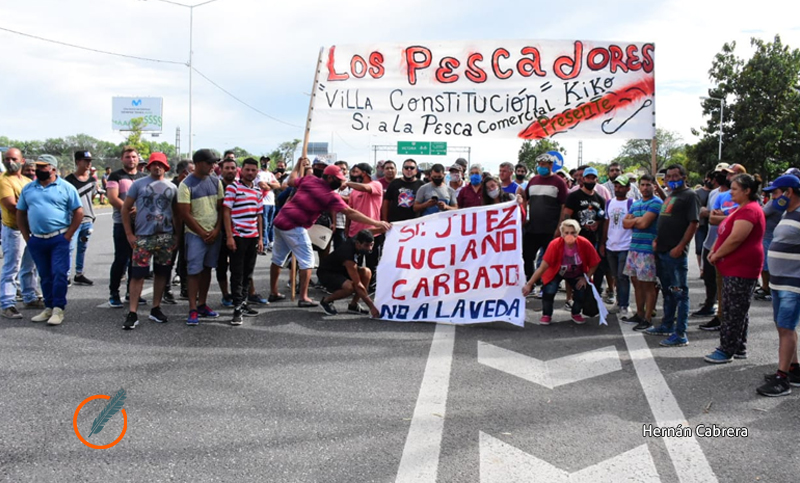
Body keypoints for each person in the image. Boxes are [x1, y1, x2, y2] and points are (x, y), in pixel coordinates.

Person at [270, 158, 390, 307]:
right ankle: (304, 297)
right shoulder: (329, 195)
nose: (341, 183)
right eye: (339, 180)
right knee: (307, 261)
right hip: (294, 225)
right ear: (330, 178)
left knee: (278, 259)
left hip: (280, 220)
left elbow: (291, 180)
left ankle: (274, 292)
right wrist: (376, 223)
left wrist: (297, 164)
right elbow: (350, 212)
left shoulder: (309, 180)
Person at [704, 174, 765, 362]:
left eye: (735, 189)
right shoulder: (741, 209)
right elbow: (725, 232)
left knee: (733, 310)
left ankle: (727, 349)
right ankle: (738, 346)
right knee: (736, 308)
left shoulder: (749, 211)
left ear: (747, 191)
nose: (731, 192)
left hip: (742, 268)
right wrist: (714, 249)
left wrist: (717, 254)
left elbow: (736, 238)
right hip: (732, 268)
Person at [16, 154, 82, 325]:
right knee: (44, 275)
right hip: (37, 239)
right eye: (37, 167)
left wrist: (68, 236)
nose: (38, 170)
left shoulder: (66, 187)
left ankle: (58, 309)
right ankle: (49, 307)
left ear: (53, 168)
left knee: (59, 273)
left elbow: (78, 212)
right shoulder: (29, 188)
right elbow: (20, 212)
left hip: (59, 237)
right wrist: (26, 237)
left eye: (43, 167)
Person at [120, 152, 178, 330]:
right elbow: (125, 209)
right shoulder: (138, 184)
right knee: (138, 274)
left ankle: (155, 308)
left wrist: (177, 236)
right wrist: (129, 234)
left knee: (162, 272)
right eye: (154, 164)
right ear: (148, 166)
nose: (157, 167)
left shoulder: (172, 187)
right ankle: (133, 312)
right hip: (143, 237)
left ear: (166, 167)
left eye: (160, 164)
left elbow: (176, 213)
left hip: (165, 236)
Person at [645, 164, 699, 347]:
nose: (672, 179)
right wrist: (658, 240)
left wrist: (681, 246)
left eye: (676, 176)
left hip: (675, 253)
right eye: (669, 176)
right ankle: (667, 324)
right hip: (662, 250)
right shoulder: (671, 196)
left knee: (680, 293)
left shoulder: (690, 196)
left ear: (684, 177)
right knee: (668, 292)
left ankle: (680, 333)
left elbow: (693, 223)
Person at [755, 175, 800, 396]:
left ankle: (782, 379)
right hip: (779, 281)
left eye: (775, 193)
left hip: (793, 283)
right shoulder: (786, 213)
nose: (772, 197)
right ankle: (793, 368)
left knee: (786, 327)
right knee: (783, 326)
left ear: (789, 192)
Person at [522, 219, 601, 325]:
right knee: (549, 290)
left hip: (576, 272)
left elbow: (595, 262)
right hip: (556, 272)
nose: (569, 235)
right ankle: (547, 314)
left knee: (581, 290)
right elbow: (542, 267)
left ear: (577, 233)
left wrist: (585, 277)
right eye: (567, 233)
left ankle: (576, 313)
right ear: (562, 234)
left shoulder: (584, 243)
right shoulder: (554, 244)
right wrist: (529, 284)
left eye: (573, 233)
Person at [177, 149, 224, 326]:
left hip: (213, 233)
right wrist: (202, 232)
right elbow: (184, 213)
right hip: (195, 235)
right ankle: (192, 308)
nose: (213, 166)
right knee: (194, 271)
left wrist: (216, 229)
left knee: (207, 269)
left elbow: (220, 209)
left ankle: (202, 303)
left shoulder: (215, 182)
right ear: (198, 164)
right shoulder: (186, 184)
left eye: (214, 163)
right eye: (209, 163)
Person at [700, 163, 745, 330]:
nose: (727, 177)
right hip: (714, 242)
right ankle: (719, 315)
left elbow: (737, 222)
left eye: (731, 174)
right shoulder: (717, 194)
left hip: (731, 251)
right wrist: (727, 216)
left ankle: (728, 323)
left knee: (732, 291)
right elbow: (712, 218)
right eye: (726, 174)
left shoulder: (747, 203)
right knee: (715, 282)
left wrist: (724, 217)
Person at [0, 148, 42, 319]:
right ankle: (7, 303)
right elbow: (11, 204)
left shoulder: (26, 181)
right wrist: (38, 208)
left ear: (22, 161)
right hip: (14, 230)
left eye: (13, 159)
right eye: (7, 159)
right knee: (12, 267)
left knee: (29, 266)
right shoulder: (4, 181)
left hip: (29, 229)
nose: (10, 162)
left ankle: (29, 296)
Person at [223, 158, 264, 325]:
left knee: (248, 273)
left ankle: (244, 302)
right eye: (247, 170)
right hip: (237, 236)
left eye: (253, 170)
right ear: (242, 170)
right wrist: (230, 236)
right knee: (237, 273)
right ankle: (237, 307)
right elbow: (226, 212)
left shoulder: (258, 191)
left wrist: (261, 238)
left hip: (252, 237)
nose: (250, 173)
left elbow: (259, 216)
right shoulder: (233, 188)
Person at [622, 175, 663, 331]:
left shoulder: (656, 203)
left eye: (648, 185)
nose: (645, 188)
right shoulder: (636, 203)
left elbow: (645, 223)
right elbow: (625, 224)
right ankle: (639, 314)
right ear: (638, 187)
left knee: (648, 285)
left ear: (654, 186)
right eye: (643, 185)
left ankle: (647, 318)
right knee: (636, 283)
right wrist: (636, 221)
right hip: (634, 249)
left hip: (647, 250)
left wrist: (634, 220)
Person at [106, 146, 146, 308]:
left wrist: (141, 211)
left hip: (141, 225)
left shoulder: (144, 177)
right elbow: (112, 198)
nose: (131, 160)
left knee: (137, 260)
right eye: (128, 157)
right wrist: (129, 210)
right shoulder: (115, 176)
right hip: (122, 224)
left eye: (134, 157)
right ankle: (114, 292)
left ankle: (132, 293)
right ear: (122, 159)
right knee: (121, 259)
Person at [523, 153, 568, 280]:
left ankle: (547, 283)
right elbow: (525, 200)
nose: (541, 166)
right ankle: (530, 282)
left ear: (551, 165)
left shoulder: (559, 182)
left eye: (544, 164)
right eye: (539, 164)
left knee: (550, 259)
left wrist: (559, 227)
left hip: (551, 229)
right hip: (532, 229)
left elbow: (564, 206)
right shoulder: (533, 180)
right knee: (527, 256)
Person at [694, 164, 729, 321]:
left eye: (724, 174)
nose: (720, 177)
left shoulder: (733, 194)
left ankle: (721, 312)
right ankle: (710, 304)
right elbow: (711, 216)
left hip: (725, 242)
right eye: (718, 174)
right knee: (709, 277)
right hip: (710, 240)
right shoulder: (714, 193)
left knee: (723, 280)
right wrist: (712, 215)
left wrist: (715, 216)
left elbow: (718, 217)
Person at [318, 229, 380, 318]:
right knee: (350, 287)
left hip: (342, 270)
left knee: (367, 272)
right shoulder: (348, 255)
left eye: (371, 245)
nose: (369, 249)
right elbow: (358, 285)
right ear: (358, 243)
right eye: (366, 245)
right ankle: (326, 301)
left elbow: (371, 231)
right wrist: (372, 307)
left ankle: (353, 305)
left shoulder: (359, 237)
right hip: (327, 273)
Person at [563, 166, 606, 292]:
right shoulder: (574, 196)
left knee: (594, 265)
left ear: (596, 180)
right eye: (588, 178)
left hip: (593, 239)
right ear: (583, 179)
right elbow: (566, 217)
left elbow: (602, 218)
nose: (590, 181)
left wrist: (597, 224)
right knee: (572, 268)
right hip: (576, 238)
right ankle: (569, 298)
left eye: (593, 178)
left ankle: (591, 293)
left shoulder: (600, 199)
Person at [347, 163, 384, 288]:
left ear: (364, 173)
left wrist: (346, 183)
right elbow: (350, 211)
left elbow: (365, 188)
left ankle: (370, 286)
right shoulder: (353, 192)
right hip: (354, 233)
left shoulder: (376, 185)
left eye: (356, 172)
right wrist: (347, 229)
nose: (353, 175)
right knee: (353, 263)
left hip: (372, 232)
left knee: (371, 263)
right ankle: (356, 286)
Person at [602, 175, 633, 318]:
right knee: (615, 276)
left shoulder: (631, 203)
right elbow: (607, 223)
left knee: (622, 276)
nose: (618, 189)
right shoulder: (609, 203)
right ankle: (619, 302)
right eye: (616, 186)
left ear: (628, 188)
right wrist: (603, 242)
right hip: (611, 245)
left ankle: (624, 305)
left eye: (621, 186)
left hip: (625, 245)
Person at [64, 151, 97, 286]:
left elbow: (92, 197)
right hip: (73, 220)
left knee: (82, 247)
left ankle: (79, 273)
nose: (88, 163)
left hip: (88, 219)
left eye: (90, 160)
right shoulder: (69, 180)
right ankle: (66, 275)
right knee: (70, 248)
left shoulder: (92, 181)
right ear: (78, 162)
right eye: (85, 160)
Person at [756, 180, 784, 302]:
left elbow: (760, 213)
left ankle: (771, 289)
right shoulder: (777, 202)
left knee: (768, 265)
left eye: (775, 192)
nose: (773, 195)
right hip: (769, 236)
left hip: (769, 237)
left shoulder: (775, 204)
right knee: (767, 265)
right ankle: (766, 287)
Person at [216, 158, 239, 307]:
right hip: (220, 232)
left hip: (239, 233)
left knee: (240, 267)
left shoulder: (241, 186)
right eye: (227, 168)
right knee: (221, 266)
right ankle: (226, 295)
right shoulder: (216, 186)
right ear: (221, 169)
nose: (230, 170)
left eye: (232, 168)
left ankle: (244, 294)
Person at [170, 159, 194, 300]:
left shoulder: (191, 186)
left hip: (188, 228)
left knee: (186, 259)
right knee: (169, 260)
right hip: (171, 229)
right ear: (185, 173)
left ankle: (185, 288)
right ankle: (166, 289)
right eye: (192, 171)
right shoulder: (172, 187)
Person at [257, 156, 280, 254]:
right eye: (264, 161)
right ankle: (264, 244)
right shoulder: (258, 173)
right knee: (264, 224)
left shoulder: (270, 174)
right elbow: (263, 186)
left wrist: (268, 183)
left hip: (272, 202)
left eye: (267, 161)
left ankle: (271, 243)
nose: (265, 163)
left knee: (271, 224)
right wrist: (271, 185)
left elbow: (278, 185)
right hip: (263, 202)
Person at [693, 171, 714, 274]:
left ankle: (708, 268)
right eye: (708, 178)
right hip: (700, 224)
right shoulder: (697, 192)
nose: (709, 181)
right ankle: (702, 269)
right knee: (699, 247)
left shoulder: (715, 192)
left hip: (712, 224)